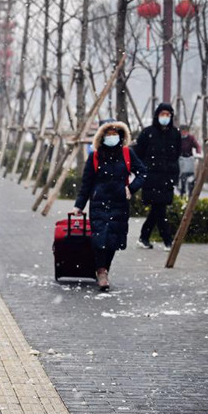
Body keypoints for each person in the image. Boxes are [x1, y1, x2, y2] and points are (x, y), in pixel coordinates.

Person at [71, 122, 147, 291]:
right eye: (108, 133)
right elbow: (87, 183)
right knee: (99, 239)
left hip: (120, 202)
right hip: (99, 202)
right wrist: (79, 205)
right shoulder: (95, 156)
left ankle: (105, 270)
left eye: (115, 133)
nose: (111, 137)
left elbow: (143, 172)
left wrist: (131, 188)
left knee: (113, 240)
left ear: (120, 135)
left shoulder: (128, 153)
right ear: (102, 136)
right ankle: (101, 272)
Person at [134, 103, 181, 251]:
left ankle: (144, 237)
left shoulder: (175, 134)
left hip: (167, 177)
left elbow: (176, 155)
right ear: (157, 115)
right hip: (151, 177)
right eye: (163, 114)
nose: (165, 117)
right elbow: (137, 154)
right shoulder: (147, 133)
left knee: (157, 209)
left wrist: (174, 176)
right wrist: (142, 172)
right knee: (159, 209)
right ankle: (167, 240)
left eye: (168, 114)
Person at [178, 125, 201, 197]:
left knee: (191, 176)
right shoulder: (177, 138)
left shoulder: (191, 138)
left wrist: (198, 152)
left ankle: (190, 193)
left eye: (185, 131)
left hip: (189, 159)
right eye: (183, 131)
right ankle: (182, 191)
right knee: (183, 177)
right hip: (181, 159)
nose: (184, 133)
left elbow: (197, 146)